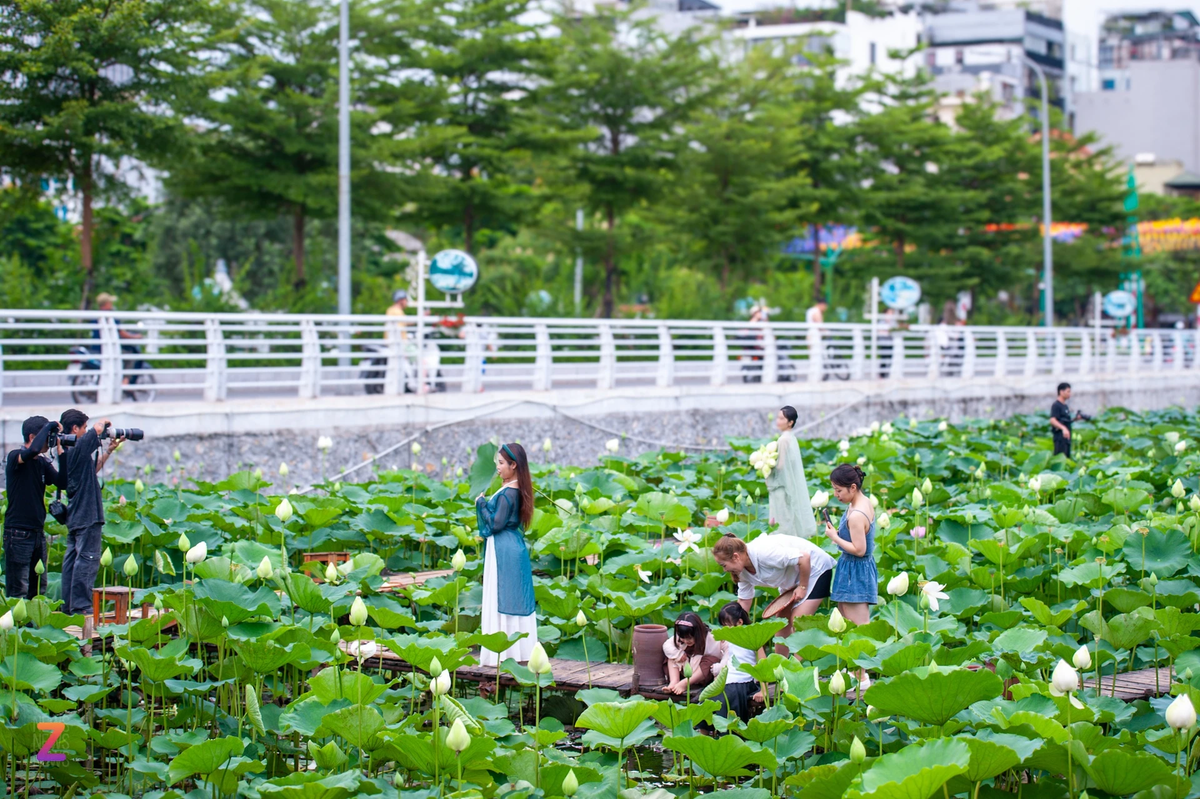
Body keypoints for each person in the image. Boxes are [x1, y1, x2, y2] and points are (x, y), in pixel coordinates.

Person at [476, 442, 537, 667]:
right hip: (513, 547)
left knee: (501, 596)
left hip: (503, 549)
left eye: (501, 463)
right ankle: (519, 651)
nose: (498, 468)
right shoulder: (518, 487)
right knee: (513, 596)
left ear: (514, 465)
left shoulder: (508, 493)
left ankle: (501, 655)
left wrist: (481, 503)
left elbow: (495, 523)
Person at [58, 409, 123, 618]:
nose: (86, 431)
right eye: (83, 427)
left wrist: (109, 450)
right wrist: (102, 424)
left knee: (72, 562)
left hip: (77, 516)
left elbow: (90, 470)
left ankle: (69, 607)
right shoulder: (75, 449)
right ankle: (81, 609)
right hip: (87, 515)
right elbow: (94, 432)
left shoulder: (69, 454)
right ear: (75, 429)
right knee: (87, 560)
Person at [712, 532, 835, 641]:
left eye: (724, 565)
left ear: (736, 557)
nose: (724, 570)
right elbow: (744, 602)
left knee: (798, 621)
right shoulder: (741, 571)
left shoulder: (765, 553)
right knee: (781, 621)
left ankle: (796, 665)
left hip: (815, 569)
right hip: (792, 579)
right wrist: (735, 628)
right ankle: (779, 663)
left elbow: (804, 558)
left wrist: (802, 587)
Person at [4, 417, 65, 599]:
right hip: (18, 533)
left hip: (37, 533)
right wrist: (50, 426)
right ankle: (18, 627)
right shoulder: (15, 457)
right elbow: (34, 450)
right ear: (33, 436)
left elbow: (62, 482)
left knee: (38, 588)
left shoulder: (42, 462)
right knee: (18, 590)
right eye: (47, 437)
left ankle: (33, 626)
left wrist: (63, 452)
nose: (49, 441)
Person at [824, 464, 878, 626]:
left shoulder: (856, 515)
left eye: (839, 490)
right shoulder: (863, 501)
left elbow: (860, 550)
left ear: (852, 487)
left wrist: (835, 537)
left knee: (860, 627)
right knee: (846, 624)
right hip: (851, 568)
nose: (835, 495)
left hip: (856, 571)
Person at [767, 406, 816, 539]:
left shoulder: (782, 440)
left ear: (790, 422)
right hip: (790, 484)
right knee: (790, 518)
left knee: (783, 522)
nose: (778, 421)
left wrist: (766, 466)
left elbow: (781, 465)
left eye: (782, 418)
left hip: (781, 486)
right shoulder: (792, 438)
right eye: (777, 417)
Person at [713, 602, 764, 721]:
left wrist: (763, 690)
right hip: (727, 679)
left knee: (727, 701)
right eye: (722, 626)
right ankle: (704, 736)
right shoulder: (730, 637)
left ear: (740, 622)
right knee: (706, 702)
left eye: (727, 625)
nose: (724, 629)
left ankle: (727, 736)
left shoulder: (754, 638)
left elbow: (763, 665)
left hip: (743, 681)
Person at [663, 611, 725, 697]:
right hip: (686, 668)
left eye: (689, 638)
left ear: (697, 632)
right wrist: (678, 655)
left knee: (711, 660)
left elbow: (722, 654)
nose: (685, 641)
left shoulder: (711, 638)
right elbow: (666, 645)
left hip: (701, 674)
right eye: (683, 638)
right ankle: (674, 681)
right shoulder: (680, 636)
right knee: (671, 656)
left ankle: (685, 683)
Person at [1050, 382, 1075, 459]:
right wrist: (1063, 428)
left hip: (1067, 437)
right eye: (1068, 391)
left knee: (1067, 457)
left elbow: (1066, 421)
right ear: (1061, 392)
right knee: (1060, 458)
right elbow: (1052, 420)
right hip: (1060, 437)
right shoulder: (1056, 405)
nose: (1069, 394)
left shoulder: (1065, 406)